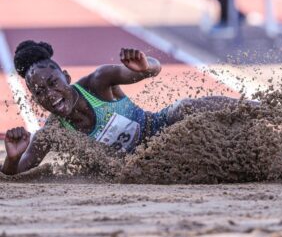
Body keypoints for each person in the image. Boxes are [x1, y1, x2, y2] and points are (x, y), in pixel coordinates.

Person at [1, 40, 242, 175]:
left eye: (53, 83)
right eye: (40, 92)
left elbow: (154, 70)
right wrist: (12, 158)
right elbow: (15, 173)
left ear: (66, 77)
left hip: (159, 130)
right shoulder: (52, 133)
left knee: (184, 108)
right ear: (34, 98)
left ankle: (259, 109)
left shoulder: (98, 81)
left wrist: (145, 66)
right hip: (142, 166)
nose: (50, 95)